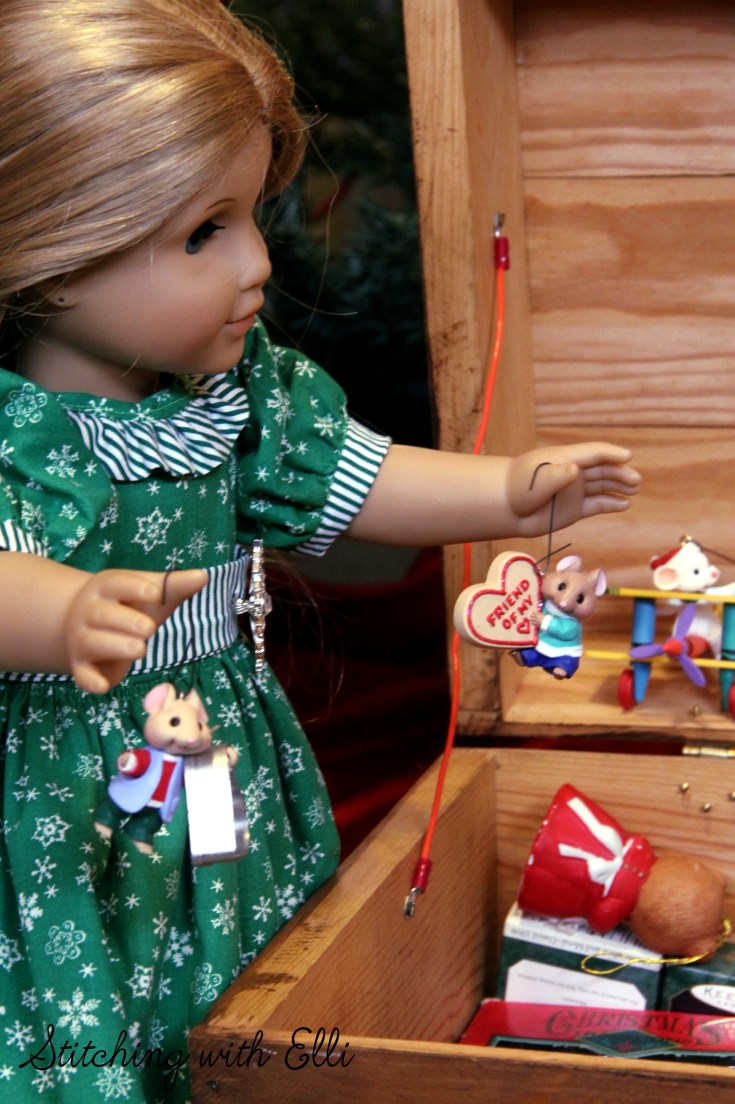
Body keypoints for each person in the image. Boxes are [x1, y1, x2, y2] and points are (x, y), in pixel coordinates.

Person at [0, 1, 641, 1099]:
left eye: (253, 214)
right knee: (80, 1013)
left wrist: (508, 489)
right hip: (56, 805)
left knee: (237, 986)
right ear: (53, 254)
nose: (258, 261)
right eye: (205, 232)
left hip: (214, 770)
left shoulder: (239, 402)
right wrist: (57, 615)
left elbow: (363, 477)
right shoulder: (21, 441)